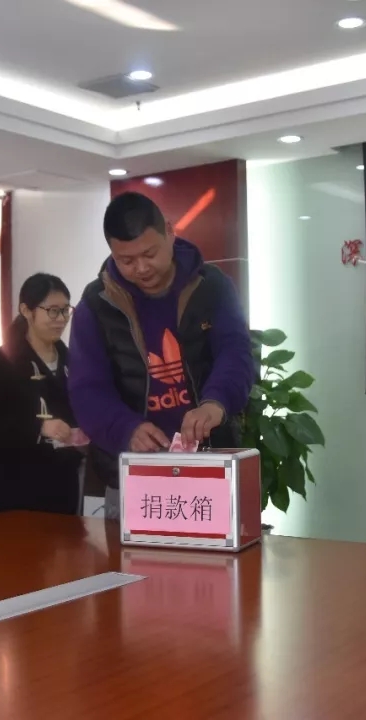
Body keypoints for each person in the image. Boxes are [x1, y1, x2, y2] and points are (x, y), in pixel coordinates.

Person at [68, 192, 256, 519]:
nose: (141, 268)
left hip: (210, 465)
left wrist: (215, 403)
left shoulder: (212, 287)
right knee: (131, 553)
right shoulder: (97, 305)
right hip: (131, 475)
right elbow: (86, 388)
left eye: (149, 253)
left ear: (169, 231)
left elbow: (235, 353)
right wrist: (125, 428)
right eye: (126, 260)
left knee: (219, 551)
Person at [0, 273, 84, 516]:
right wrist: (39, 427)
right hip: (14, 489)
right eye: (52, 311)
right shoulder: (2, 363)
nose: (61, 319)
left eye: (66, 310)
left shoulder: (71, 360)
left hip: (62, 484)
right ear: (26, 310)